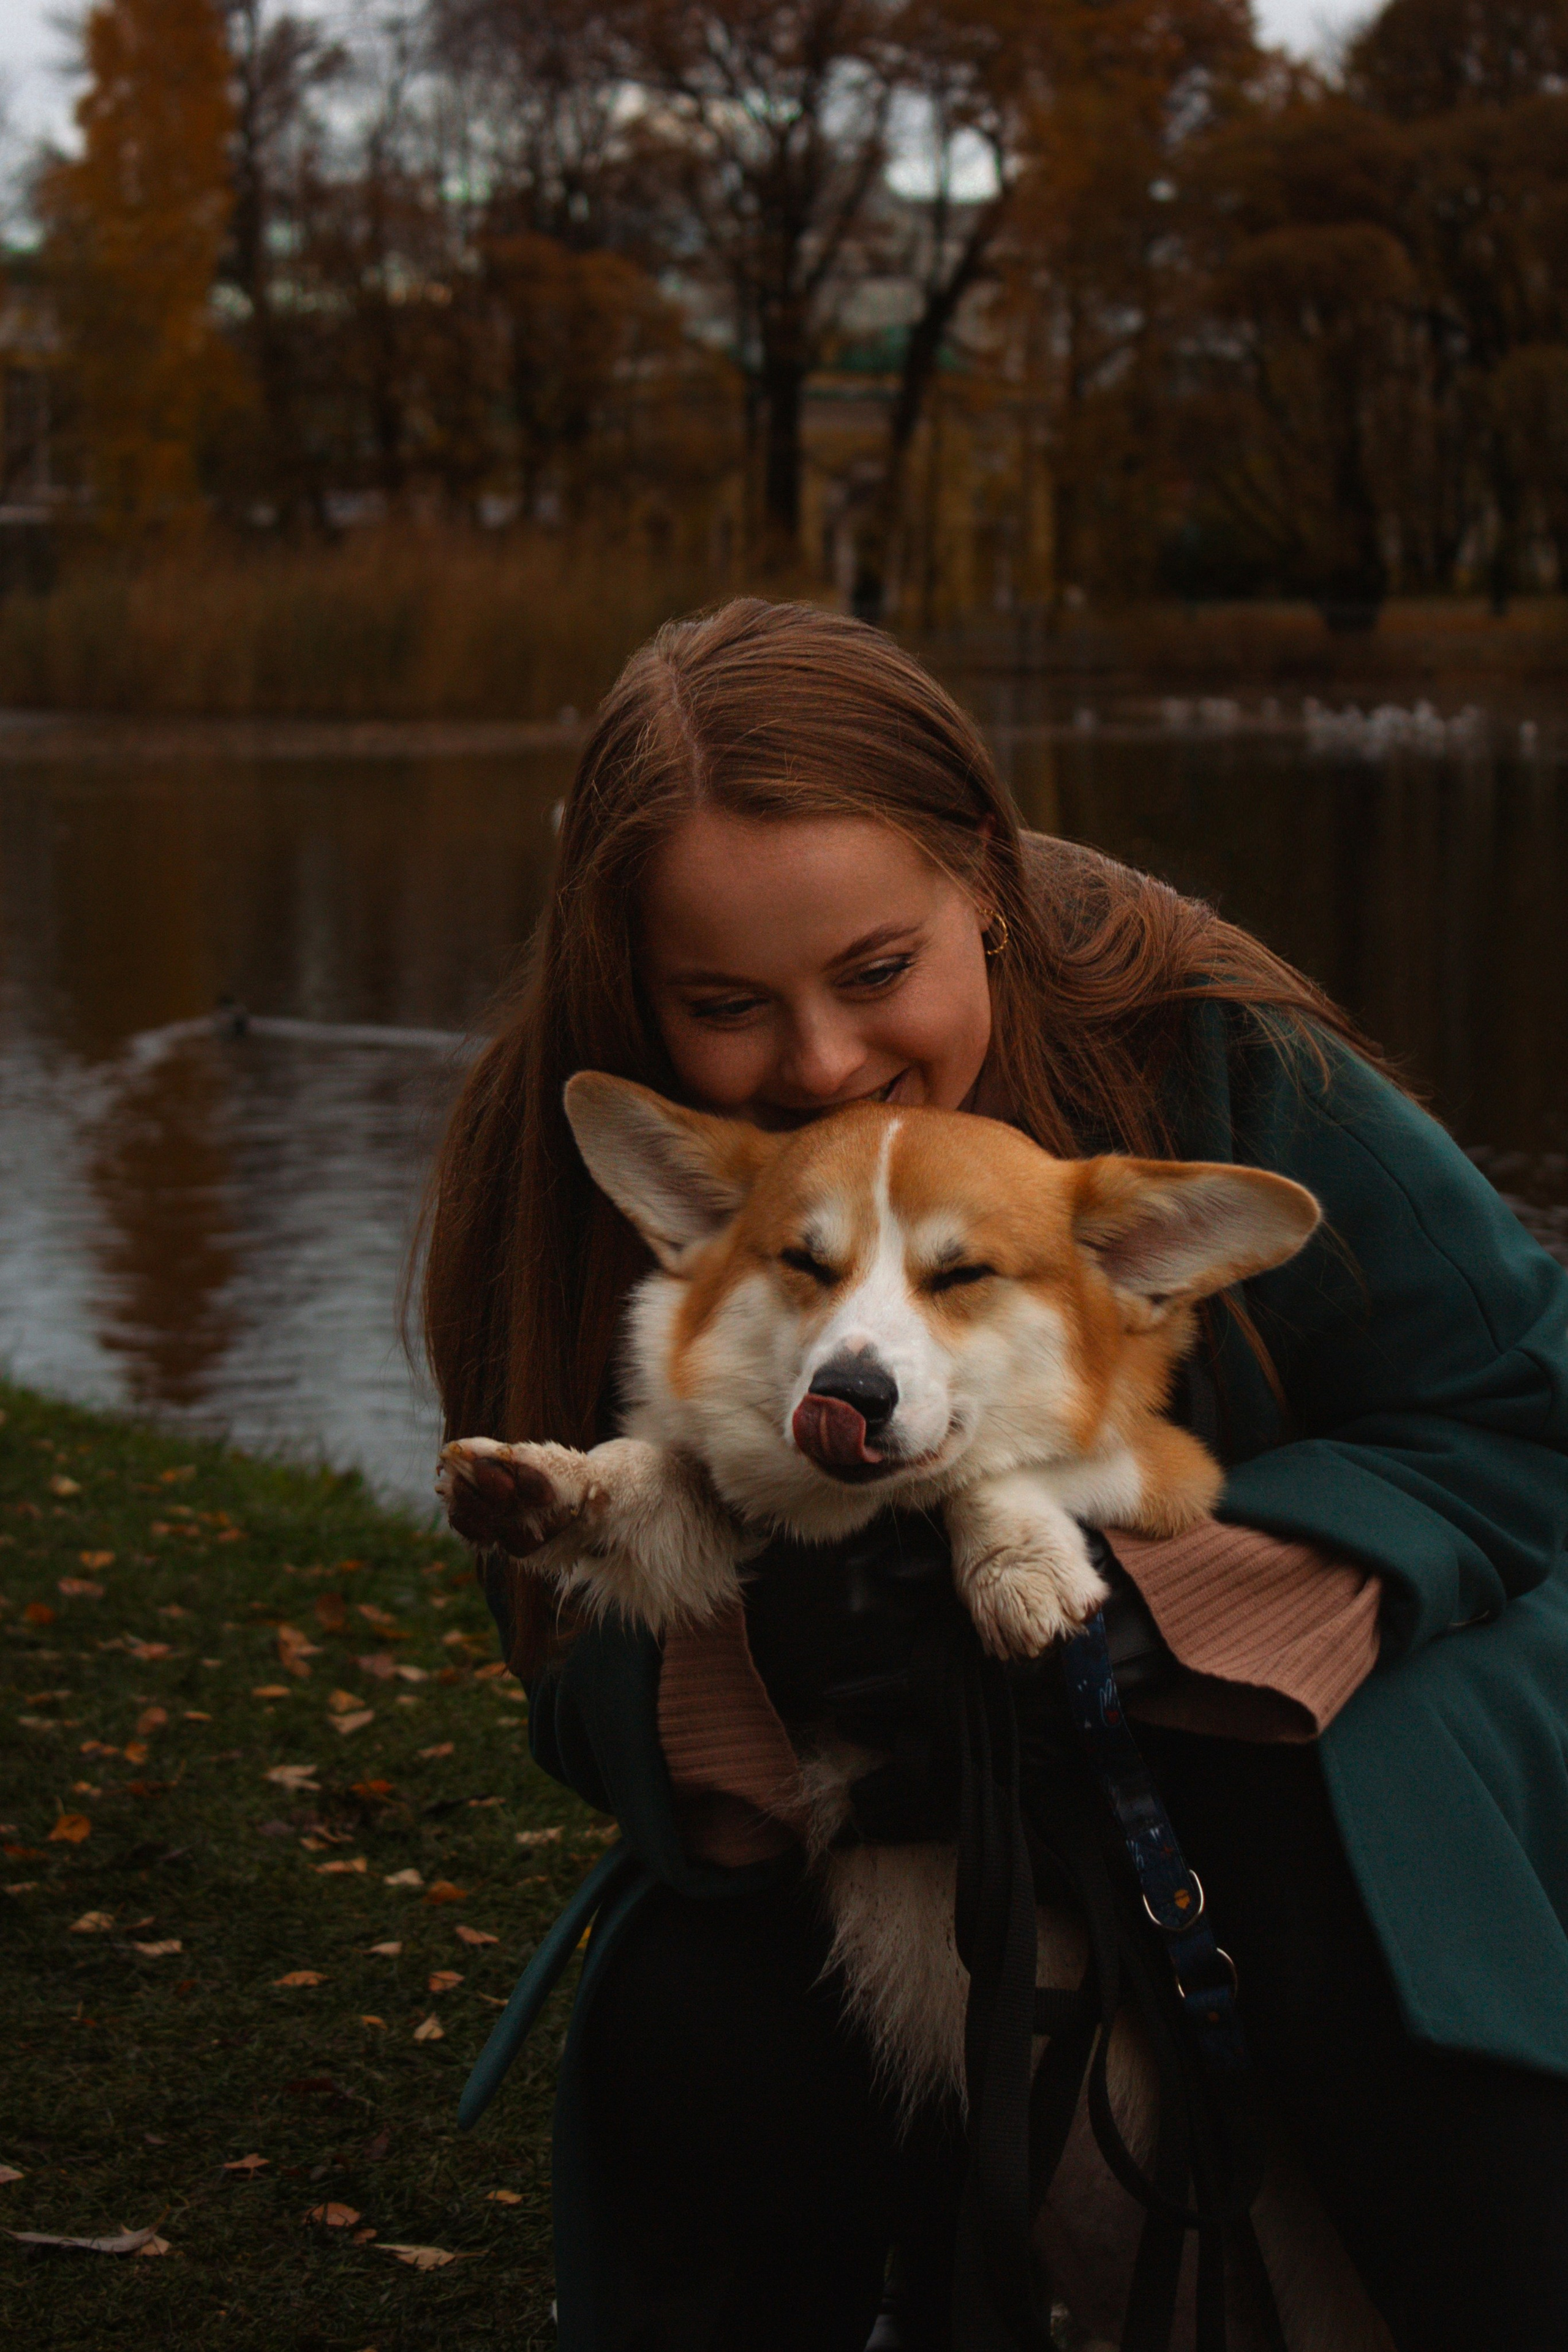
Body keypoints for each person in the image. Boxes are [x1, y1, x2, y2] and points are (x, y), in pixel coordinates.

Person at [422, 598, 1568, 2352]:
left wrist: (1161, 1629)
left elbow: (1521, 1415)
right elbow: (551, 1657)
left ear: (984, 877)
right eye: (725, 1004)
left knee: (1343, 1840)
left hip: (1361, 1698)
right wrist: (777, 1656)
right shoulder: (597, 1165)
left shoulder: (1211, 1047)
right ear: (639, 987)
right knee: (695, 2011)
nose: (819, 1059)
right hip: (889, 1802)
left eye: (877, 972)